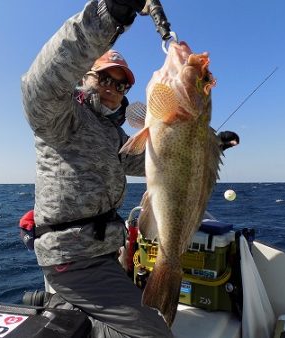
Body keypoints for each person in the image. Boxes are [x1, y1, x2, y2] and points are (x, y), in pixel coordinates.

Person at [21, 1, 239, 337]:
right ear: (84, 76)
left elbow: (157, 162)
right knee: (154, 334)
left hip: (107, 252)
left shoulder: (114, 136)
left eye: (121, 84)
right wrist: (110, 13)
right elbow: (42, 83)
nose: (112, 87)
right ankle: (70, 317)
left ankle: (73, 312)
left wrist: (207, 148)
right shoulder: (59, 118)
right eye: (104, 77)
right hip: (74, 259)